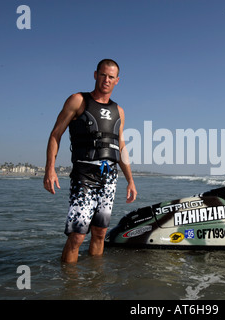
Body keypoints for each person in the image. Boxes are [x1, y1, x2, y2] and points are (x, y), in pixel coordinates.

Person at [43, 59, 137, 263]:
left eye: (111, 77)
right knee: (77, 235)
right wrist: (50, 169)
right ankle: (69, 286)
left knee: (100, 233)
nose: (106, 80)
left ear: (117, 81)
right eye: (103, 75)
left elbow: (120, 146)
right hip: (84, 174)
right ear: (95, 75)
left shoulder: (119, 111)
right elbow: (55, 134)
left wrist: (130, 180)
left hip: (110, 177)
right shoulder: (78, 100)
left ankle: (95, 281)